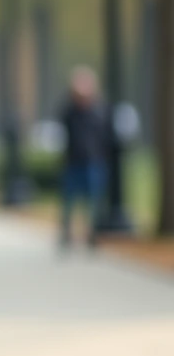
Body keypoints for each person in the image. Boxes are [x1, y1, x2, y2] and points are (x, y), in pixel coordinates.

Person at [59, 65, 108, 247]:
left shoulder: (98, 110)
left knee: (93, 201)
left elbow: (105, 136)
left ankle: (91, 234)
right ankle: (66, 233)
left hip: (93, 162)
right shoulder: (69, 111)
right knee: (69, 201)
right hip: (73, 162)